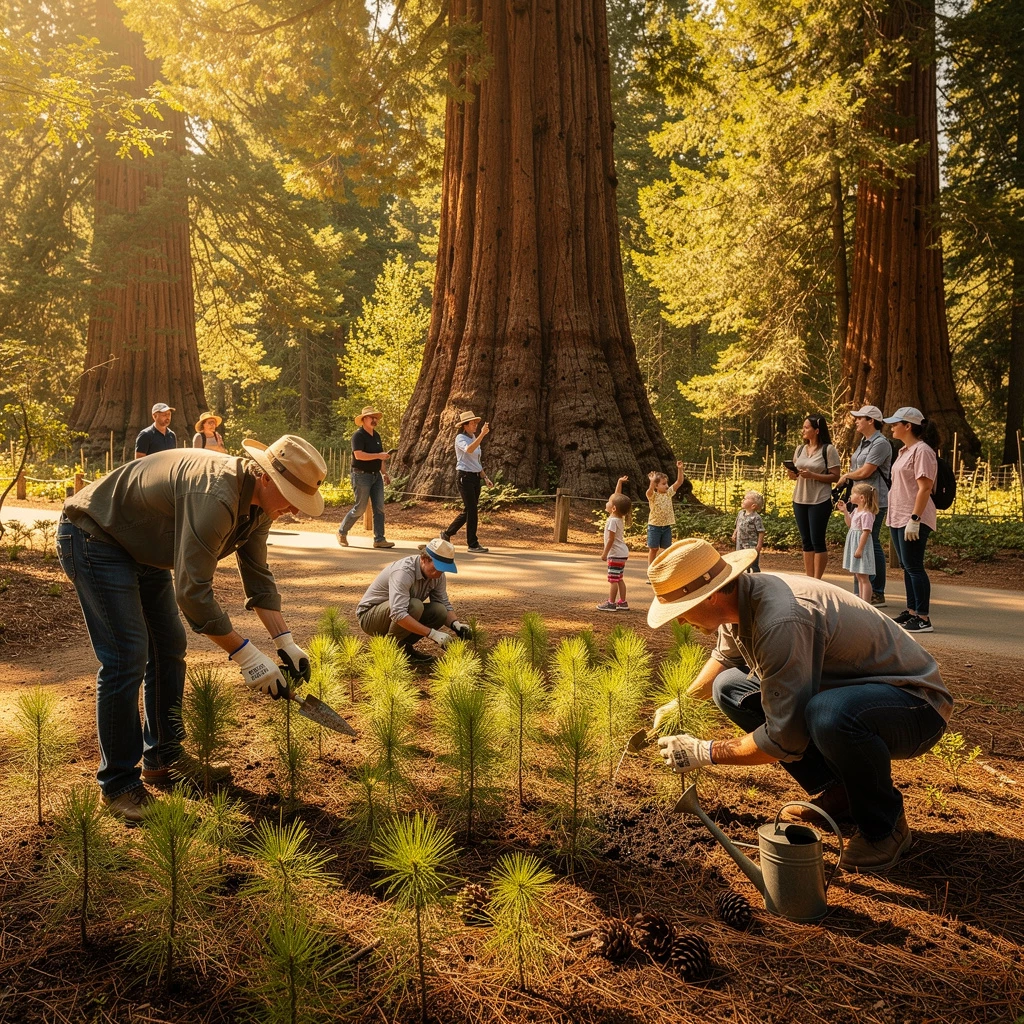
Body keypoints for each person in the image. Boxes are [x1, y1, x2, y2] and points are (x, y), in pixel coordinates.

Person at [57, 435, 328, 821]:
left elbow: (258, 575)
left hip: (145, 549)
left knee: (169, 647)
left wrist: (286, 643)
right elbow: (194, 594)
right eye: (291, 498)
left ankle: (164, 758)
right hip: (96, 537)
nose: (295, 511)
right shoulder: (215, 497)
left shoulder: (261, 507)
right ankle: (117, 784)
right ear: (266, 478)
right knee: (127, 656)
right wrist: (247, 655)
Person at [646, 538, 952, 873]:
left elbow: (783, 739)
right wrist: (682, 703)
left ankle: (884, 825)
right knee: (729, 687)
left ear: (712, 595)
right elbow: (725, 658)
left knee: (829, 714)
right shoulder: (740, 603)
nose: (678, 622)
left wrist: (705, 752)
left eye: (681, 609)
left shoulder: (780, 621)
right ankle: (841, 794)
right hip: (855, 693)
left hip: (915, 704)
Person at [355, 536, 472, 664]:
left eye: (443, 569)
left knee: (439, 611)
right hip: (370, 617)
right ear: (424, 559)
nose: (439, 573)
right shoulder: (403, 572)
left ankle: (403, 648)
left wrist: (456, 625)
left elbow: (443, 602)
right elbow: (398, 613)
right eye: (437, 567)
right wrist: (433, 634)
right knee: (415, 606)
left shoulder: (438, 575)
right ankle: (389, 650)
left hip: (398, 613)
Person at [884, 406, 939, 634]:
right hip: (898, 516)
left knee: (915, 567)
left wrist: (915, 518)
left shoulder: (923, 451)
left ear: (908, 426)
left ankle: (923, 617)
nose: (892, 426)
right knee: (907, 567)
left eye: (896, 423)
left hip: (913, 516)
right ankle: (912, 611)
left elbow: (925, 487)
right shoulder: (903, 451)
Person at [836, 405, 892, 606]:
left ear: (871, 420)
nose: (856, 421)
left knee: (871, 542)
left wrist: (845, 476)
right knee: (859, 537)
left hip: (873, 500)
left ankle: (876, 591)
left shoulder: (880, 443)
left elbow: (865, 471)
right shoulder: (864, 442)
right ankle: (860, 590)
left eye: (860, 418)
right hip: (859, 500)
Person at [787, 414, 840, 579]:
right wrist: (792, 473)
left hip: (820, 499)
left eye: (806, 427)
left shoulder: (828, 450)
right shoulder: (800, 449)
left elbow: (836, 476)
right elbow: (794, 475)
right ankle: (809, 578)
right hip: (800, 499)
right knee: (806, 541)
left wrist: (813, 475)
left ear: (817, 430)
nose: (803, 430)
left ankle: (818, 580)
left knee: (817, 541)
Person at [337, 406, 395, 549]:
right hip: (361, 475)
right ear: (364, 419)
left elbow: (381, 457)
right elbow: (358, 455)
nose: (374, 420)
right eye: (371, 417)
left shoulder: (377, 436)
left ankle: (379, 539)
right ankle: (342, 532)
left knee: (380, 508)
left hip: (376, 476)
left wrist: (384, 473)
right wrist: (378, 456)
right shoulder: (358, 435)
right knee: (360, 508)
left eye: (375, 417)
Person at [441, 410, 493, 553]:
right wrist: (483, 434)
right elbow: (469, 450)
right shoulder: (460, 438)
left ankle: (447, 533)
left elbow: (476, 460)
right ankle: (472, 543)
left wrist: (485, 477)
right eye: (472, 423)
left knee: (469, 510)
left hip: (475, 477)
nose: (475, 425)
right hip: (465, 477)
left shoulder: (474, 437)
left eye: (476, 422)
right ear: (465, 425)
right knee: (472, 510)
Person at [597, 476, 631, 612]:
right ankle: (622, 602)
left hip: (615, 553)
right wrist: (619, 482)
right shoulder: (618, 517)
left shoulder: (612, 521)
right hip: (622, 553)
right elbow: (617, 497)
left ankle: (611, 603)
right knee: (619, 578)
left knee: (613, 580)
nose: (607, 503)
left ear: (613, 508)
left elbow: (610, 539)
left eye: (609, 502)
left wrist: (605, 553)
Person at [841, 483, 878, 603]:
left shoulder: (867, 514)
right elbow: (850, 524)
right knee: (858, 575)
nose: (850, 496)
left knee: (863, 576)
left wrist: (860, 549)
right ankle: (862, 600)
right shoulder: (856, 510)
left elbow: (866, 532)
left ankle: (866, 602)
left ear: (861, 498)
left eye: (853, 493)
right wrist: (845, 512)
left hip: (861, 544)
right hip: (854, 541)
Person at [645, 462, 687, 566]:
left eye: (667, 483)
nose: (667, 486)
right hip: (654, 526)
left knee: (666, 549)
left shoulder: (669, 493)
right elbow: (649, 491)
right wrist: (652, 481)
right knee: (653, 549)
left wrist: (680, 469)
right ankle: (651, 570)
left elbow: (679, 482)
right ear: (656, 485)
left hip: (666, 526)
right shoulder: (653, 495)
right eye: (663, 484)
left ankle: (662, 569)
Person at [731, 490, 765, 572]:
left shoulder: (756, 517)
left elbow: (761, 531)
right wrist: (734, 534)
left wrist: (759, 545)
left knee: (753, 563)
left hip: (751, 545)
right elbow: (738, 525)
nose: (743, 500)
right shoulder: (740, 513)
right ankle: (741, 577)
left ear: (753, 506)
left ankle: (756, 577)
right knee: (740, 561)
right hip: (740, 543)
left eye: (745, 499)